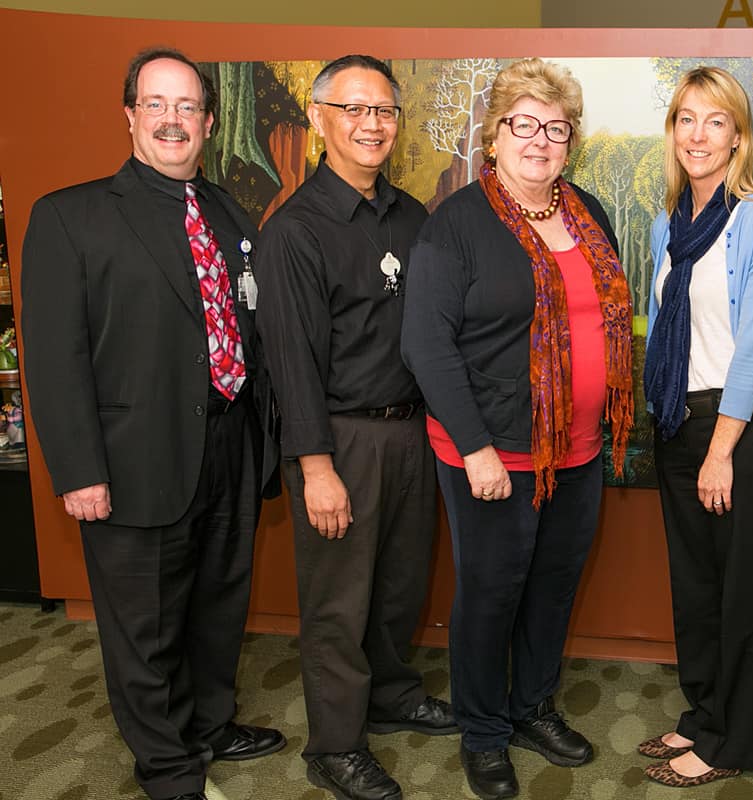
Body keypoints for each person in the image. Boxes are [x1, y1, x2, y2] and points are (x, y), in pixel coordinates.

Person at [20, 48, 284, 800]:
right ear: (130, 114)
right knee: (145, 630)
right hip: (131, 459)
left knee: (216, 604)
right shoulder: (71, 216)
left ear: (207, 121)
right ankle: (169, 767)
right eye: (156, 103)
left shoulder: (230, 212)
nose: (174, 119)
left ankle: (208, 724)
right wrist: (78, 471)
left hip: (230, 446)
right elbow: (55, 356)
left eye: (188, 107)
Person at [402, 57, 632, 800]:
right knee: (492, 593)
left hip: (579, 450)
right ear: (493, 135)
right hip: (492, 451)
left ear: (570, 140)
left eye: (555, 126)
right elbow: (427, 345)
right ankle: (484, 729)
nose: (539, 139)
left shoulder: (587, 210)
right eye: (522, 124)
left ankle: (533, 707)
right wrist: (476, 450)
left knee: (552, 588)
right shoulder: (457, 223)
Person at [255, 55, 457, 800]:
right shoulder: (295, 233)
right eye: (354, 109)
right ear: (319, 120)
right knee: (339, 602)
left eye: (384, 111)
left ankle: (393, 693)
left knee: (400, 585)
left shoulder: (410, 216)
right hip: (338, 440)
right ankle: (335, 746)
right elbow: (292, 365)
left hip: (409, 434)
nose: (371, 124)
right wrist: (316, 467)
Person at [639, 65, 753, 789]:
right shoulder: (667, 220)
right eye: (686, 119)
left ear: (738, 137)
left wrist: (723, 449)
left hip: (732, 432)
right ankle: (703, 715)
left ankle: (737, 741)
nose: (698, 134)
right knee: (694, 588)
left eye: (715, 121)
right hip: (675, 422)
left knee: (738, 592)